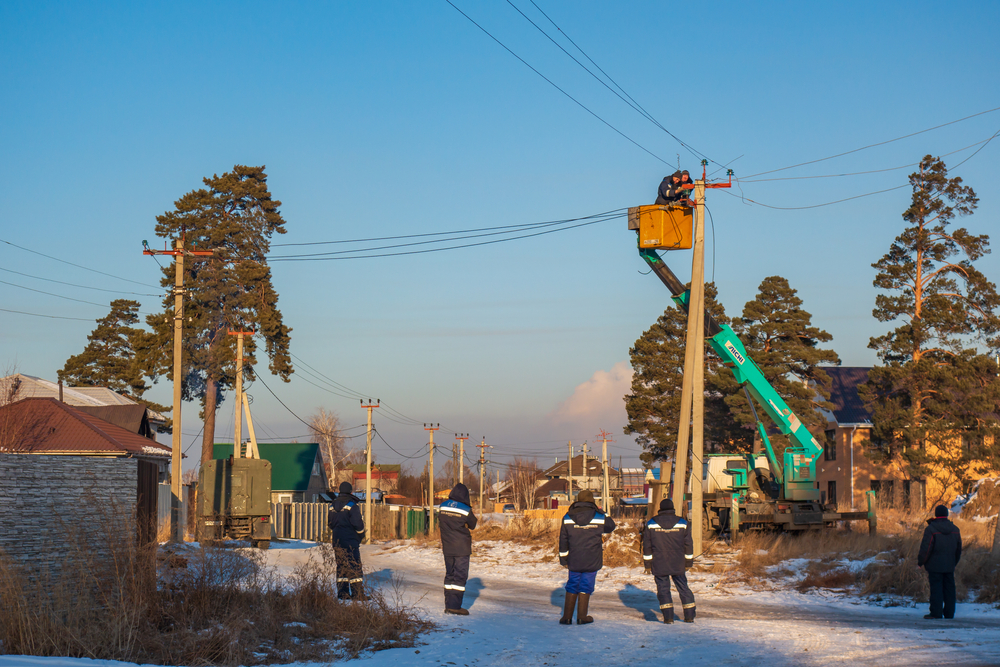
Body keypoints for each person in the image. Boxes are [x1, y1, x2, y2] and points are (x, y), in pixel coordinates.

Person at [558, 490, 616, 625]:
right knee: (586, 584)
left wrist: (563, 558)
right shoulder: (599, 516)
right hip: (592, 557)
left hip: (574, 557)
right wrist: (603, 512)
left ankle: (566, 617)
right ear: (592, 501)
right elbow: (611, 526)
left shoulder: (567, 517)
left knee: (572, 583)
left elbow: (563, 539)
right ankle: (582, 616)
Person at [642, 498, 695, 624]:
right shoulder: (683, 523)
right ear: (673, 509)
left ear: (660, 509)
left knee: (663, 589)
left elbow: (647, 546)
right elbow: (688, 544)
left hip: (659, 563)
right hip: (678, 562)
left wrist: (648, 565)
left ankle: (668, 618)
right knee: (683, 588)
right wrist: (688, 562)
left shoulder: (651, 523)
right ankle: (689, 616)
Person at [438, 482, 478, 615]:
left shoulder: (442, 506)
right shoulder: (465, 509)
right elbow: (473, 524)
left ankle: (448, 604)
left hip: (447, 547)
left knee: (450, 574)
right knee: (459, 577)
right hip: (461, 548)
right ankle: (455, 607)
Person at [918, 504, 962, 619]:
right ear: (947, 514)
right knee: (949, 589)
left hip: (934, 565)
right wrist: (954, 562)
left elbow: (926, 548)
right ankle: (949, 613)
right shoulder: (955, 530)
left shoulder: (931, 529)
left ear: (936, 514)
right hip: (949, 565)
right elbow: (958, 550)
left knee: (936, 589)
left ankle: (936, 613)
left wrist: (921, 562)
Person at [328, 481, 366, 600]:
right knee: (354, 566)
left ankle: (343, 593)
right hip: (351, 542)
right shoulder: (352, 505)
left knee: (341, 566)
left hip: (337, 541)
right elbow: (358, 525)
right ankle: (357, 594)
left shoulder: (332, 506)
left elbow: (330, 524)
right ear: (350, 491)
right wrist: (361, 535)